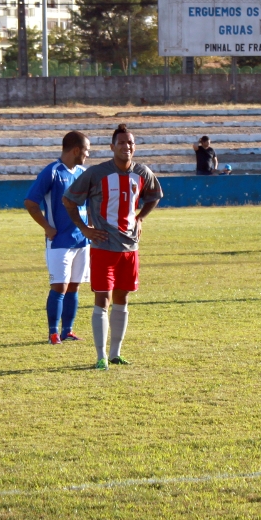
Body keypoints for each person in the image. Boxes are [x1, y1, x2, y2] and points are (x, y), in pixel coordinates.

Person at [62, 124, 163, 370]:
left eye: (130, 143)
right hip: (103, 247)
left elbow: (154, 196)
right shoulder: (97, 173)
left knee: (122, 298)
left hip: (130, 248)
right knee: (102, 298)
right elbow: (69, 200)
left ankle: (116, 353)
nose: (126, 146)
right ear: (112, 147)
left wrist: (140, 218)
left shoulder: (142, 172)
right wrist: (84, 228)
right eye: (121, 143)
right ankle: (101, 357)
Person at [24, 131, 92, 345]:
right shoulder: (52, 172)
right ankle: (53, 333)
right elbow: (31, 202)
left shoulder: (83, 173)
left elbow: (89, 203)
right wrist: (47, 227)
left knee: (74, 286)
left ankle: (67, 331)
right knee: (59, 287)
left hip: (82, 240)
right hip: (59, 241)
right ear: (76, 150)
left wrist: (90, 225)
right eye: (86, 150)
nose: (88, 154)